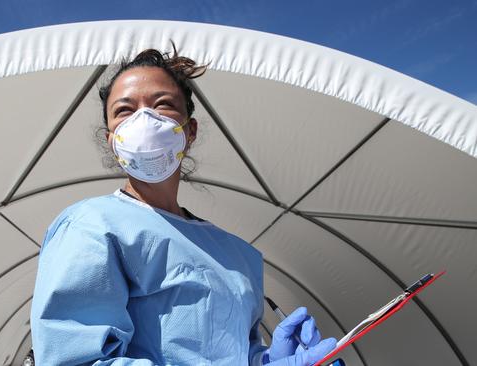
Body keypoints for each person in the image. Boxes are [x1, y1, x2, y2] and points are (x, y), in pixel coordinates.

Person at [30, 45, 337, 365]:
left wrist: (267, 360)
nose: (144, 119)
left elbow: (231, 353)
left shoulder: (239, 255)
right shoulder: (91, 226)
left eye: (162, 104)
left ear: (190, 131)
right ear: (112, 140)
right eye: (124, 110)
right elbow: (76, 360)